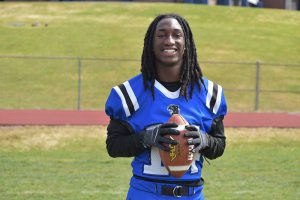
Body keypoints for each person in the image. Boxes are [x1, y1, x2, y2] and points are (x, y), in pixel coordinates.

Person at [105, 13, 227, 200]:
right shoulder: (130, 94)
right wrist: (146, 138)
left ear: (186, 43)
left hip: (192, 195)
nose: (169, 40)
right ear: (150, 44)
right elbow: (113, 146)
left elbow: (219, 144)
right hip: (145, 194)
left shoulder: (209, 93)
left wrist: (205, 140)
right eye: (161, 35)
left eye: (177, 35)